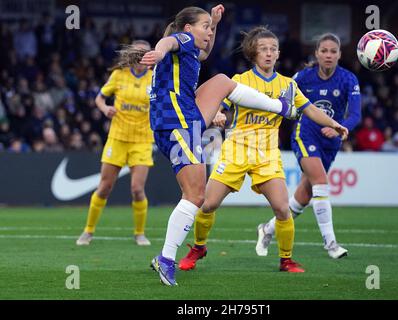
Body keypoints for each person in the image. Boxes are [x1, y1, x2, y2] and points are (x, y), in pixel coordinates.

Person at [140, 5, 302, 286]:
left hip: (183, 119)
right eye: (204, 26)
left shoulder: (191, 50)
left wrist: (213, 22)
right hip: (178, 124)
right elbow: (169, 41)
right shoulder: (183, 40)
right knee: (195, 196)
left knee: (222, 81)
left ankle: (281, 107)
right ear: (188, 29)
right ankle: (166, 259)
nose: (209, 32)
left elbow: (204, 52)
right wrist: (160, 50)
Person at [178, 27, 349, 274]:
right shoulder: (239, 81)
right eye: (263, 49)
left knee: (282, 208)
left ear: (278, 53)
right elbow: (218, 103)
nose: (268, 53)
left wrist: (334, 123)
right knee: (207, 204)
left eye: (272, 49)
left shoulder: (288, 85)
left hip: (267, 154)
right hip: (236, 150)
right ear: (253, 53)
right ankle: (198, 247)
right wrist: (216, 114)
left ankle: (286, 259)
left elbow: (310, 110)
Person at [256, 33, 361, 259]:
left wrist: (339, 128)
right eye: (324, 51)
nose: (328, 55)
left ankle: (267, 229)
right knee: (321, 182)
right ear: (317, 53)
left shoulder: (348, 79)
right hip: (306, 134)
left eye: (333, 51)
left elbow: (355, 114)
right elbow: (282, 99)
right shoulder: (303, 77)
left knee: (303, 196)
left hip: (331, 141)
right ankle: (331, 243)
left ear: (340, 54)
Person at [76, 40, 154, 246]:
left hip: (142, 140)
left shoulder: (155, 79)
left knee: (137, 189)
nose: (142, 56)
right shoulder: (119, 75)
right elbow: (99, 99)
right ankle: (88, 231)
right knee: (104, 187)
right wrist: (105, 109)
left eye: (146, 53)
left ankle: (140, 233)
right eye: (138, 52)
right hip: (117, 138)